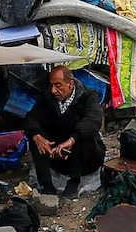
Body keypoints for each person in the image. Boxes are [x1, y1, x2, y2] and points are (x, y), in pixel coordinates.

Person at [24, 63, 106, 196]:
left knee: (83, 132)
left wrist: (72, 140)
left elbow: (94, 120)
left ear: (70, 84)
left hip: (86, 159)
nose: (53, 90)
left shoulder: (89, 96)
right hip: (58, 156)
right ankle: (47, 186)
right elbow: (31, 118)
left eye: (58, 85)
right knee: (37, 138)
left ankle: (74, 181)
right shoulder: (48, 97)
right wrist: (36, 135)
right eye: (52, 85)